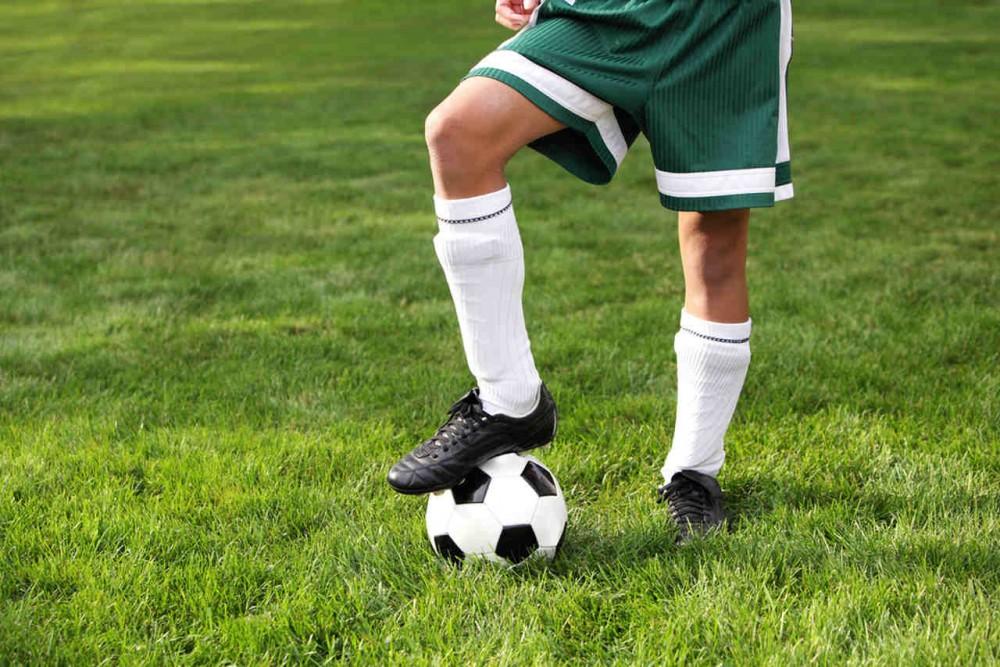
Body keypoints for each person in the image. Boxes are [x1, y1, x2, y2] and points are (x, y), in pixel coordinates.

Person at [387, 0, 794, 543]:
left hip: (722, 21)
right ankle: (508, 399)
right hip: (610, 9)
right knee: (458, 132)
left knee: (713, 246)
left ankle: (694, 473)